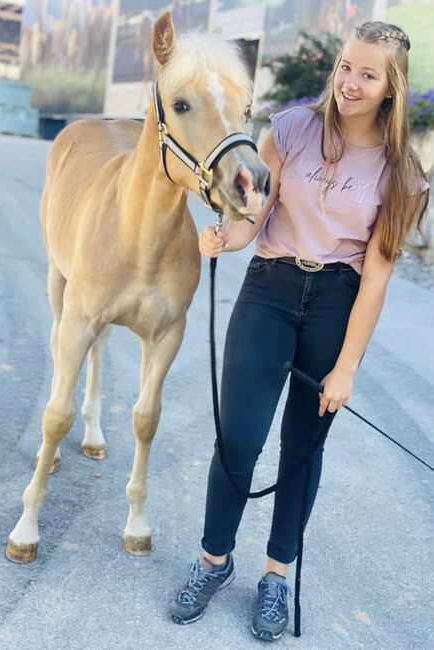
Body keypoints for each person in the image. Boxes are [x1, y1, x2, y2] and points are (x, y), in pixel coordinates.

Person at [169, 21, 429, 642]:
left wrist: (345, 370)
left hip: (336, 304)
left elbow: (376, 280)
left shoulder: (404, 173)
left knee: (303, 452)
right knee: (238, 438)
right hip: (269, 291)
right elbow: (253, 210)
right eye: (345, 66)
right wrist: (223, 237)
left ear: (392, 86)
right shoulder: (288, 130)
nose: (350, 82)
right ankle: (213, 561)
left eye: (368, 74)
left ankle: (276, 576)